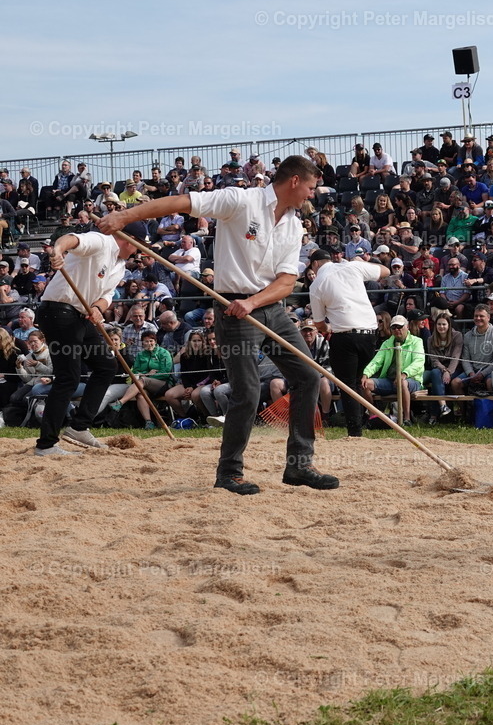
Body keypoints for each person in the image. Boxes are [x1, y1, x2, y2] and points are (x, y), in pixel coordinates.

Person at [98, 154, 339, 494]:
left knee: (308, 375)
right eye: (312, 187)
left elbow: (286, 281)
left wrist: (254, 302)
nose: (313, 195)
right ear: (295, 181)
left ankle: (299, 466)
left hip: (268, 306)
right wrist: (125, 215)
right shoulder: (240, 199)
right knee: (247, 391)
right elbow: (181, 201)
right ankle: (229, 473)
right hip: (231, 307)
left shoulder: (295, 224)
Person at [30, 222, 142, 455]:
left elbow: (106, 296)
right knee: (68, 377)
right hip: (58, 311)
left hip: (81, 315)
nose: (139, 250)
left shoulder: (120, 266)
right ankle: (46, 444)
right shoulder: (102, 241)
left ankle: (79, 426)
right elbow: (71, 239)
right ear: (128, 239)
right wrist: (58, 251)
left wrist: (98, 308)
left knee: (106, 366)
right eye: (138, 245)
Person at [306, 248, 389, 437]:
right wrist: (363, 263)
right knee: (357, 382)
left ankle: (355, 432)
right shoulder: (352, 267)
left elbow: (319, 323)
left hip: (345, 336)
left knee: (347, 385)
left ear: (315, 264)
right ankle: (363, 422)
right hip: (369, 335)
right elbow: (386, 271)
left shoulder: (317, 283)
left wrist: (328, 329)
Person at [360, 314, 424, 426]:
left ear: (407, 327)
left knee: (402, 383)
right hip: (389, 381)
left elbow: (419, 361)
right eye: (394, 327)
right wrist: (366, 374)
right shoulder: (387, 343)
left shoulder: (417, 341)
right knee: (365, 384)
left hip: (411, 380)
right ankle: (373, 416)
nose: (397, 330)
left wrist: (404, 374)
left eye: (400, 327)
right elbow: (376, 362)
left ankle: (406, 419)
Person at [109, 330, 173, 429]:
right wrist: (146, 374)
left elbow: (165, 373)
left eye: (151, 341)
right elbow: (135, 372)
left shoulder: (164, 353)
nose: (149, 343)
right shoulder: (140, 355)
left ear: (155, 341)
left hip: (163, 384)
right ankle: (149, 422)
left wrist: (146, 377)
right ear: (142, 343)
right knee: (140, 394)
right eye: (146, 341)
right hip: (144, 384)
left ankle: (120, 403)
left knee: (142, 381)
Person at [422, 312, 462, 424]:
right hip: (439, 369)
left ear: (449, 325)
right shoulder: (431, 339)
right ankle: (443, 406)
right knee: (435, 373)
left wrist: (448, 371)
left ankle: (434, 415)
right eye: (439, 324)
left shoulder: (457, 336)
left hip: (454, 368)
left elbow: (456, 357)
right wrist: (444, 370)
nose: (441, 327)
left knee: (436, 377)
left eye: (444, 324)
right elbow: (434, 359)